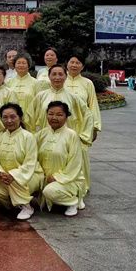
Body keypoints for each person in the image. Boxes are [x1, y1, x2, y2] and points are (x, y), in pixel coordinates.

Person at [31, 64, 93, 203]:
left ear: (66, 76)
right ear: (49, 76)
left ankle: (69, 192)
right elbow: (29, 116)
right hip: (45, 139)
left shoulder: (73, 97)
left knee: (68, 166)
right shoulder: (41, 96)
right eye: (54, 74)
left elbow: (88, 115)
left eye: (60, 74)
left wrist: (83, 137)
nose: (57, 77)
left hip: (66, 140)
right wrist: (31, 136)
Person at [0, 103, 44, 220]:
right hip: (6, 177)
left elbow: (30, 163)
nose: (9, 120)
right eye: (5, 117)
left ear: (20, 118)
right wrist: (0, 172)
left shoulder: (28, 137)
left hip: (30, 176)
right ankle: (15, 204)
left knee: (15, 181)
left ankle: (26, 206)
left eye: (13, 117)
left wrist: (13, 175)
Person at [38, 101, 85, 217]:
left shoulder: (72, 135)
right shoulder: (41, 134)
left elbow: (75, 164)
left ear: (66, 116)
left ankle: (73, 202)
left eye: (59, 115)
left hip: (68, 179)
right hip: (45, 178)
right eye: (50, 114)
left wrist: (57, 177)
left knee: (49, 191)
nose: (54, 118)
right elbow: (32, 157)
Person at [65, 55, 102, 143]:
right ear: (67, 64)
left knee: (80, 149)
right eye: (72, 62)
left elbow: (93, 104)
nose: (74, 65)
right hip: (63, 122)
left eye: (78, 63)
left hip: (82, 123)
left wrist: (95, 126)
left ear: (82, 67)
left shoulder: (88, 83)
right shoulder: (60, 80)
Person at [6, 54, 44, 131]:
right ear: (14, 65)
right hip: (11, 121)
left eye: (24, 63)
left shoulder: (36, 83)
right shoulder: (9, 82)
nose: (21, 65)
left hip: (30, 122)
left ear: (28, 66)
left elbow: (39, 105)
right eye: (18, 63)